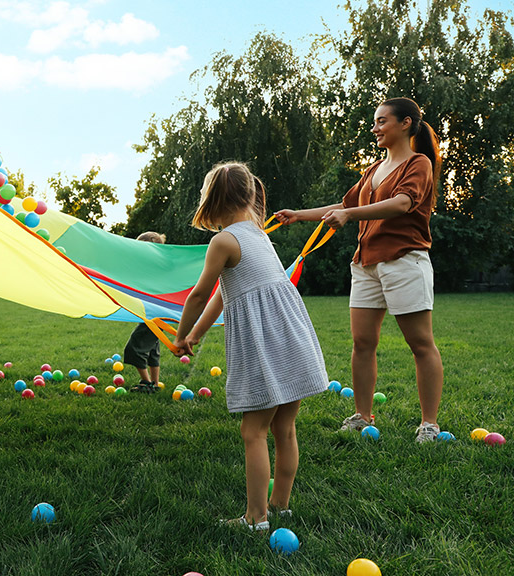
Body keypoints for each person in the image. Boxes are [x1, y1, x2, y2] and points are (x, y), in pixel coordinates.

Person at [274, 97, 443, 443]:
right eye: (375, 121)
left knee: (420, 343)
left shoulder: (419, 163)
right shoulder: (372, 170)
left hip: (404, 260)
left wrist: (350, 216)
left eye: (382, 121)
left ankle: (429, 423)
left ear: (406, 123)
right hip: (365, 264)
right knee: (362, 342)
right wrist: (299, 214)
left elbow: (402, 203)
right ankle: (362, 415)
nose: (375, 128)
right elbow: (347, 205)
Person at [174, 162, 328, 530]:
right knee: (285, 429)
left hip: (265, 345)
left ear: (211, 200)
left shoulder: (223, 241)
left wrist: (180, 335)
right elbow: (225, 294)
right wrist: (197, 334)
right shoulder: (258, 235)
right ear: (249, 195)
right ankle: (280, 506)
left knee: (253, 432)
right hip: (292, 339)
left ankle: (256, 519)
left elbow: (197, 295)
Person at [124, 231, 167, 393]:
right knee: (152, 350)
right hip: (157, 314)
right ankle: (155, 384)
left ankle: (146, 383)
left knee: (134, 347)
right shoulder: (157, 267)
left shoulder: (155, 268)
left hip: (155, 315)